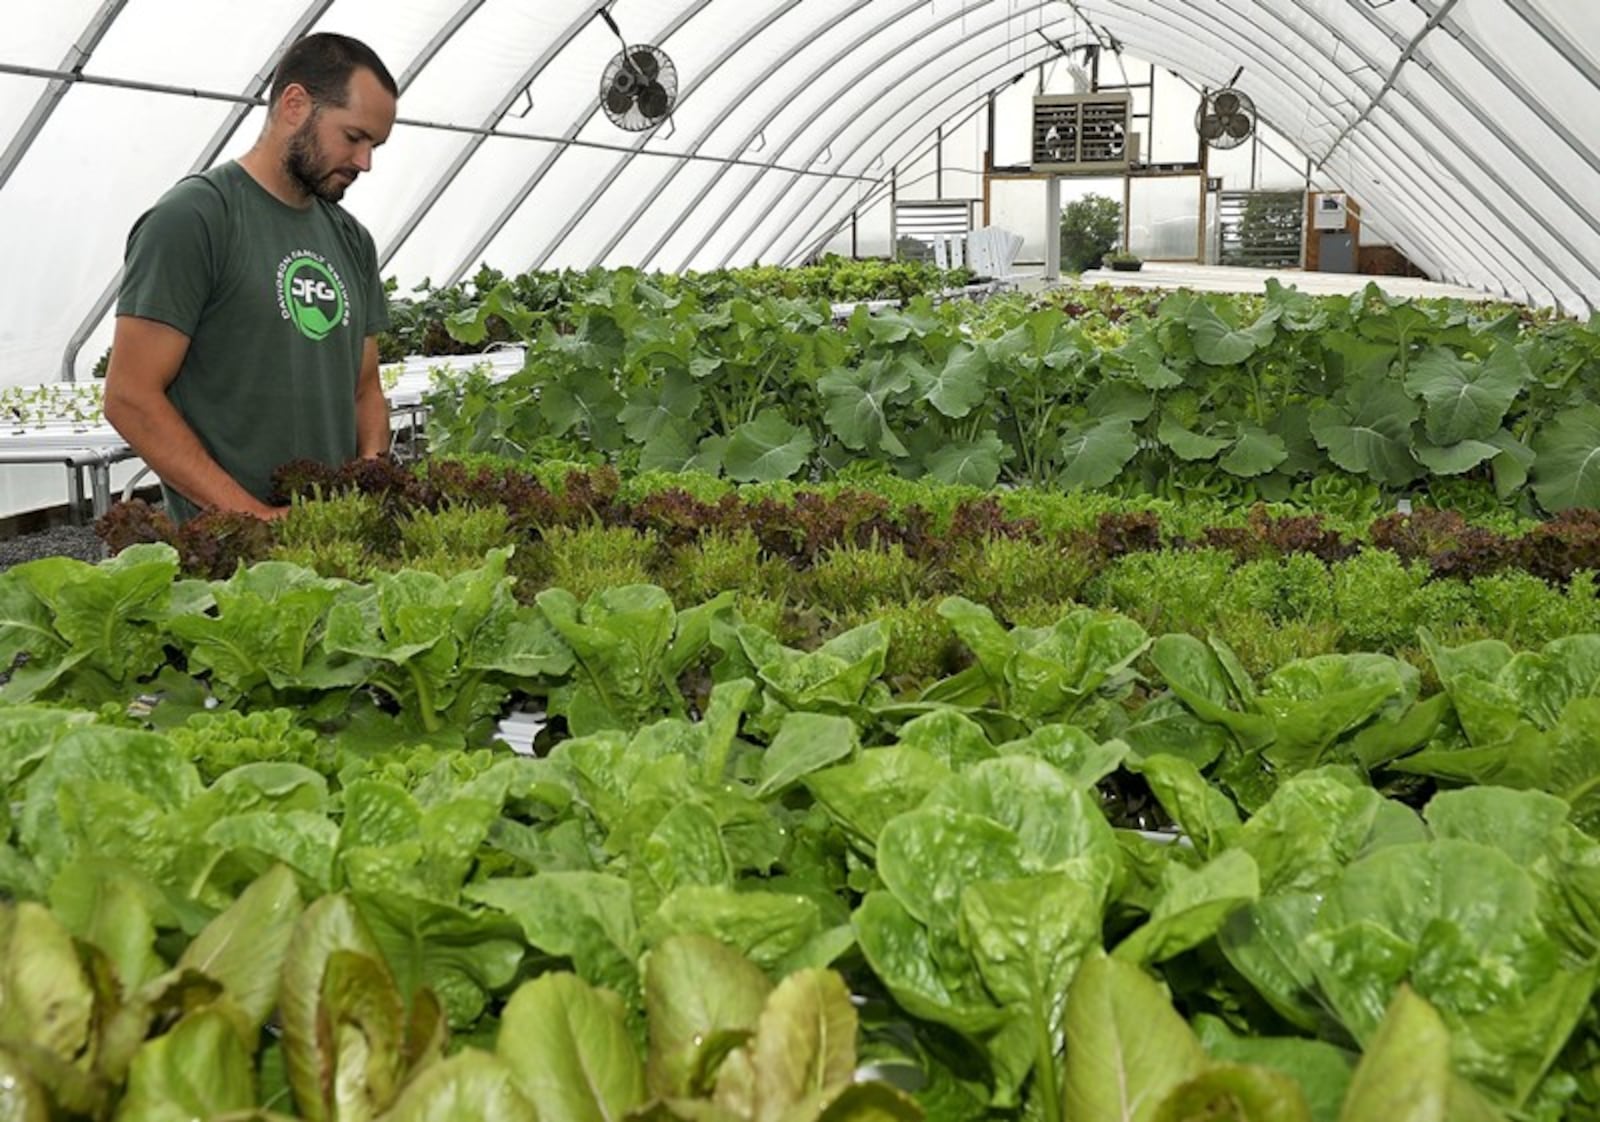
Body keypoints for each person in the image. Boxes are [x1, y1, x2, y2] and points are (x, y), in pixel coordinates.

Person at [104, 32, 398, 522]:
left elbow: (366, 389)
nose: (365, 163)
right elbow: (129, 397)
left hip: (333, 546)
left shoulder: (352, 240)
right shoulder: (196, 218)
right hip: (229, 566)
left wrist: (371, 478)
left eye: (376, 145)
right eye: (353, 137)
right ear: (295, 105)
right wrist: (254, 518)